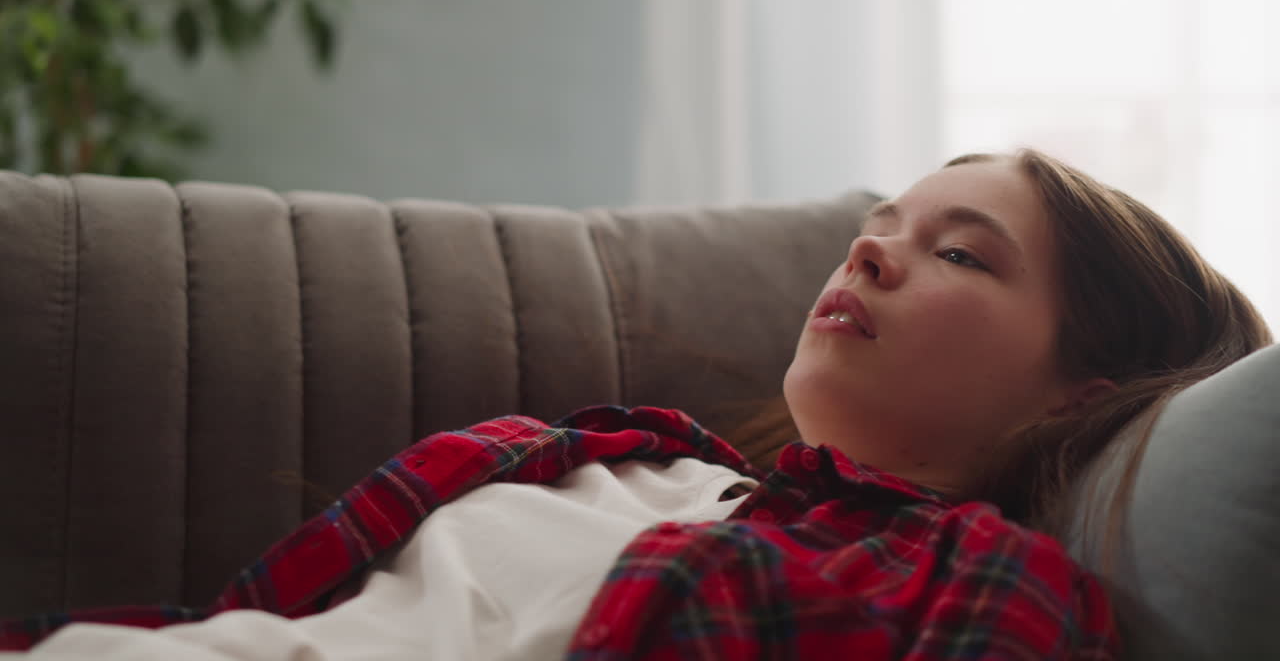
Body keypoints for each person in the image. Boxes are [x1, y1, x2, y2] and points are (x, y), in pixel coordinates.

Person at [1, 149, 1269, 660]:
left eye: (959, 253)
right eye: (878, 229)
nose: (866, 254)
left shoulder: (968, 587)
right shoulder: (620, 456)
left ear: (1081, 390)